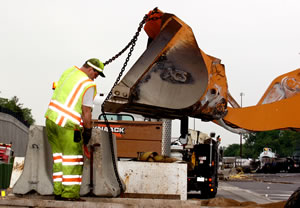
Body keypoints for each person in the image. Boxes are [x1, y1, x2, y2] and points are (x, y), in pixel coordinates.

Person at [44, 58, 105, 201]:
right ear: (91, 70)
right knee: (73, 160)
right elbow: (86, 112)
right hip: (68, 125)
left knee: (59, 159)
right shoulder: (88, 85)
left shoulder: (69, 72)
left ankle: (58, 192)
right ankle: (69, 194)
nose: (96, 78)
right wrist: (88, 131)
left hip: (51, 120)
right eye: (97, 74)